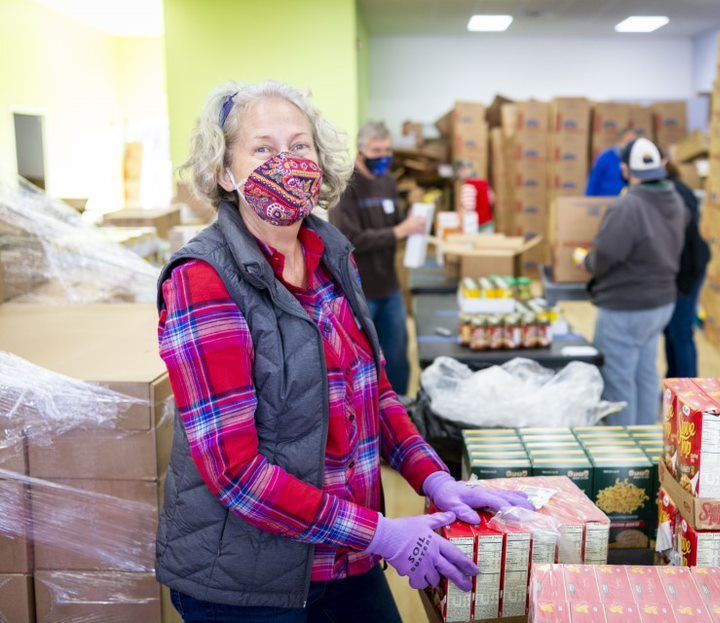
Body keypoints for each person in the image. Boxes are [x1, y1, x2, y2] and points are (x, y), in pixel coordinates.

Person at [156, 81, 532, 623]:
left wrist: (436, 479)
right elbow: (235, 471)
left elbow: (376, 396)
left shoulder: (332, 255)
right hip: (248, 582)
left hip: (345, 556)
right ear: (224, 173)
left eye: (300, 145)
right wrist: (383, 534)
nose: (287, 161)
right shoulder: (203, 281)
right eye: (263, 149)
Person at [574, 138, 687, 426]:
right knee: (645, 373)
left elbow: (605, 257)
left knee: (618, 379)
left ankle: (624, 454)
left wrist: (585, 260)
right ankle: (647, 443)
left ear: (626, 169)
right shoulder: (675, 199)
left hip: (627, 307)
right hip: (661, 303)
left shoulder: (630, 206)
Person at [329, 121, 424, 396]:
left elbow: (396, 227)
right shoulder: (346, 186)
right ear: (361, 151)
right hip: (360, 293)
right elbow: (350, 240)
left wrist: (415, 225)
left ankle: (404, 415)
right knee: (362, 364)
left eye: (387, 150)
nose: (383, 156)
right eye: (376, 150)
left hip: (389, 287)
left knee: (397, 360)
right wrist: (399, 231)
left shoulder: (388, 181)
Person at [663, 162, 711, 378]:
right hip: (680, 270)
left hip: (688, 272)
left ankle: (689, 394)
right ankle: (673, 387)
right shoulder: (673, 189)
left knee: (681, 333)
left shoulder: (674, 193)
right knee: (671, 332)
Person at [585, 128, 638, 197]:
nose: (632, 147)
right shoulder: (606, 157)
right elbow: (593, 182)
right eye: (629, 142)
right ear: (620, 141)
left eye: (634, 143)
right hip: (605, 202)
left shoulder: (636, 160)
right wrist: (589, 202)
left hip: (627, 203)